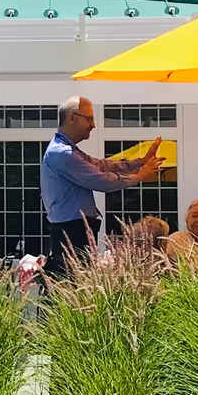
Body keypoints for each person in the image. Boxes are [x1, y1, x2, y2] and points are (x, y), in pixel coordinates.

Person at [39, 96, 161, 278]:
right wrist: (140, 176)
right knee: (73, 288)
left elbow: (101, 165)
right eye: (89, 118)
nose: (94, 125)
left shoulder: (67, 149)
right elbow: (101, 180)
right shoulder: (62, 153)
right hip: (71, 232)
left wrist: (140, 162)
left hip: (75, 229)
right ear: (72, 117)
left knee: (78, 287)